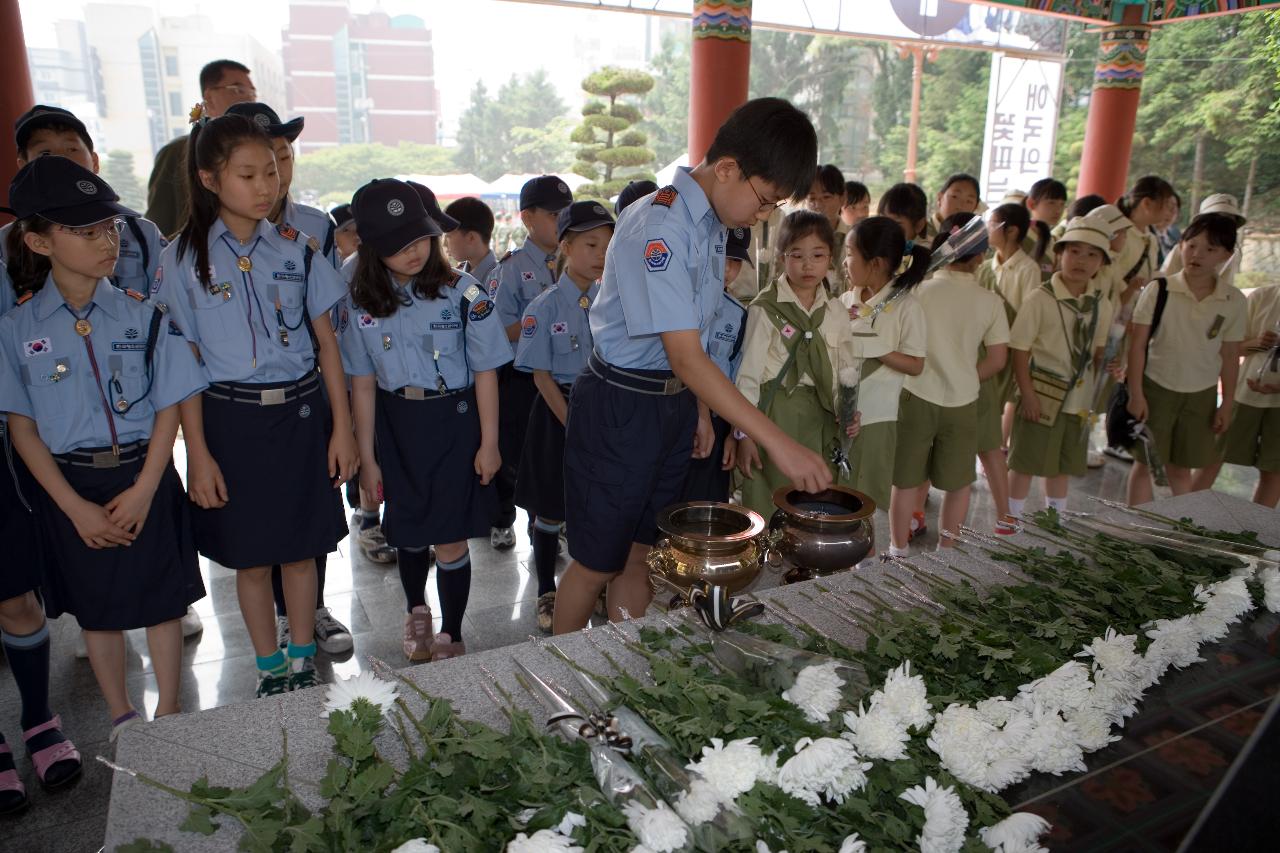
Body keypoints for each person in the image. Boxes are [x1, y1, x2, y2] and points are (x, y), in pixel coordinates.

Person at [553, 97, 831, 634]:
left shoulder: (707, 222)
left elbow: (694, 342)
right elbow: (685, 353)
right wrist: (778, 441)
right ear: (727, 168)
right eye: (765, 199)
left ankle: (620, 665)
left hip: (672, 403)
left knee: (640, 557)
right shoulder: (661, 225)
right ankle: (555, 689)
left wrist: (699, 409)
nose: (763, 215)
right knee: (596, 563)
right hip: (621, 405)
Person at [0, 158, 207, 751]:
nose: (107, 241)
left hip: (144, 474)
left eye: (110, 228)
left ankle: (169, 710)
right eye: (86, 232)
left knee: (163, 600)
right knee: (100, 610)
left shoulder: (143, 315)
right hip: (74, 488)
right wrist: (73, 509)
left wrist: (147, 487)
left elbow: (170, 405)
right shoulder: (17, 331)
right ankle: (121, 716)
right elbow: (23, 429)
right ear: (39, 241)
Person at [154, 113, 357, 697]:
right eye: (248, 174)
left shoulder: (297, 250)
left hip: (299, 414)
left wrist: (341, 428)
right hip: (229, 420)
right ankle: (268, 670)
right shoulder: (180, 261)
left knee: (300, 551)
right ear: (210, 180)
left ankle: (299, 660)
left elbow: (328, 345)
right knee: (249, 558)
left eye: (272, 171)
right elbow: (184, 364)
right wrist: (200, 455)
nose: (267, 186)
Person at [340, 179, 508, 661]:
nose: (413, 252)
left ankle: (452, 632)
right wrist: (368, 458)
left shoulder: (463, 291)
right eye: (397, 245)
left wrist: (490, 442)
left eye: (419, 238)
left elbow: (486, 372)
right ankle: (417, 610)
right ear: (372, 248)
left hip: (454, 422)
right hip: (396, 424)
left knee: (451, 535)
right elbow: (363, 384)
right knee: (408, 532)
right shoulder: (362, 300)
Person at [222, 101, 354, 656]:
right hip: (243, 403)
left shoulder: (314, 227)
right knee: (257, 528)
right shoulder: (204, 246)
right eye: (260, 163)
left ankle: (312, 609)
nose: (276, 172)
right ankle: (279, 624)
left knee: (309, 512)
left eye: (282, 157)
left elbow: (326, 327)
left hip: (309, 390)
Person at [514, 201, 615, 633]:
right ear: (566, 246)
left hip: (607, 410)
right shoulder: (544, 306)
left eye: (608, 247)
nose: (600, 256)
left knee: (597, 502)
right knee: (551, 508)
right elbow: (539, 376)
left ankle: (594, 583)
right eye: (591, 244)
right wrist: (572, 422)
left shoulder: (616, 301)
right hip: (559, 411)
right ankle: (546, 590)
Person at [889, 212, 1008, 555]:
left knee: (907, 481)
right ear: (981, 256)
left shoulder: (917, 290)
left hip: (915, 395)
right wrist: (966, 375)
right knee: (958, 483)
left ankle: (898, 549)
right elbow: (997, 360)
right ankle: (947, 549)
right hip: (962, 401)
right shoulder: (990, 301)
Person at [735, 209, 856, 519]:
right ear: (781, 257)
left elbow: (845, 369)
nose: (807, 264)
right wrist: (744, 435)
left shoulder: (836, 312)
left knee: (814, 500)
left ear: (830, 258)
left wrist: (848, 411)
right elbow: (748, 374)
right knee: (768, 500)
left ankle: (804, 561)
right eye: (797, 255)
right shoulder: (765, 308)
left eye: (817, 255)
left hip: (821, 415)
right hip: (774, 413)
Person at [1125, 213, 1246, 505]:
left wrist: (1227, 402)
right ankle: (1133, 532)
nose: (1197, 255)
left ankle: (1180, 532)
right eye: (1191, 245)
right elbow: (1138, 345)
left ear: (1227, 255)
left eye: (1210, 249)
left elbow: (1230, 355)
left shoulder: (1233, 300)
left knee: (1181, 468)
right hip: (1156, 388)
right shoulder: (1159, 289)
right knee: (1144, 465)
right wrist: (1136, 393)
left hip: (1200, 394)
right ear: (1181, 245)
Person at [1007, 217, 1114, 517]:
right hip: (1041, 394)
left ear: (1101, 263)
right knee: (1025, 462)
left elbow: (1099, 351)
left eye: (1092, 254)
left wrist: (1113, 362)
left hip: (1077, 401)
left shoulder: (1100, 304)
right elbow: (1019, 350)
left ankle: (1054, 520)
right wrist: (1026, 394)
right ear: (1059, 254)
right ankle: (1010, 521)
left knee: (1062, 465)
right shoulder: (1040, 298)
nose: (1082, 260)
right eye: (1074, 251)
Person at [488, 176, 573, 551]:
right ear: (527, 218)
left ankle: (554, 523)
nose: (562, 221)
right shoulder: (510, 269)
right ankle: (534, 528)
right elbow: (493, 332)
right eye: (555, 214)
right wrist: (536, 319)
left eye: (566, 213)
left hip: (571, 377)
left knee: (565, 457)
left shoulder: (581, 261)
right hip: (526, 382)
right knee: (528, 459)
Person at [836, 216, 929, 514]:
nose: (845, 261)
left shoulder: (907, 306)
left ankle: (865, 561)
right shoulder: (845, 298)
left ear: (874, 263)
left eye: (850, 254)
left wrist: (878, 348)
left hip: (876, 418)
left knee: (863, 504)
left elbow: (916, 365)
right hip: (838, 413)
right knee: (836, 496)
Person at [876, 182, 932, 539]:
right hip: (886, 379)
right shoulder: (875, 261)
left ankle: (915, 512)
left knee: (914, 457)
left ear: (919, 225)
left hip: (915, 374)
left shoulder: (926, 272)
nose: (889, 229)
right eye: (885, 220)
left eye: (897, 222)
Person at [680, 226, 752, 504]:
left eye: (734, 262)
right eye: (721, 258)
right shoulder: (683, 304)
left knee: (710, 500)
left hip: (719, 418)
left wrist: (734, 433)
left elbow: (735, 374)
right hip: (682, 412)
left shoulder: (737, 314)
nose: (727, 269)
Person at [146, 59, 256, 237]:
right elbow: (159, 225)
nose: (248, 98)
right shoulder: (178, 152)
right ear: (209, 98)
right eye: (238, 90)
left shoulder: (262, 152)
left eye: (252, 92)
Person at [1194, 283, 1280, 507]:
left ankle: (1253, 536)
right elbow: (1233, 348)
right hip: (1245, 394)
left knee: (1273, 472)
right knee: (1212, 457)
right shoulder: (1264, 296)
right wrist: (1257, 344)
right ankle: (1178, 517)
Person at [982, 203, 1042, 456]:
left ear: (1012, 231)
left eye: (993, 224)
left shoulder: (1029, 270)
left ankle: (994, 447)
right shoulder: (987, 265)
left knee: (1002, 399)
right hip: (984, 343)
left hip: (1009, 345)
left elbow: (1027, 316)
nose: (988, 229)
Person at [1161, 193, 1245, 289]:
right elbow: (1165, 281)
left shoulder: (1233, 254)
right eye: (1215, 218)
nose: (1222, 224)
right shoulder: (1183, 249)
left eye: (1229, 220)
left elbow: (1226, 287)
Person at [804, 164, 848, 291]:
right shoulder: (797, 238)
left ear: (843, 198)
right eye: (812, 198)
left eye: (826, 197)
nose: (818, 205)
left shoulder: (855, 237)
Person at [444, 196, 498, 286]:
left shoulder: (502, 278)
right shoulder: (457, 274)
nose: (444, 244)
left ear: (471, 238)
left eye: (449, 236)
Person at [1022, 177, 1068, 262]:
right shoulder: (1018, 238)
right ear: (1031, 204)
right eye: (1051, 203)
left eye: (1062, 204)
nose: (1058, 210)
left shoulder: (1056, 241)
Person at [925, 174, 980, 242]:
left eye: (969, 201)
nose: (960, 206)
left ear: (975, 207)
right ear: (940, 198)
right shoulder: (920, 232)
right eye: (954, 197)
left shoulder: (976, 241)